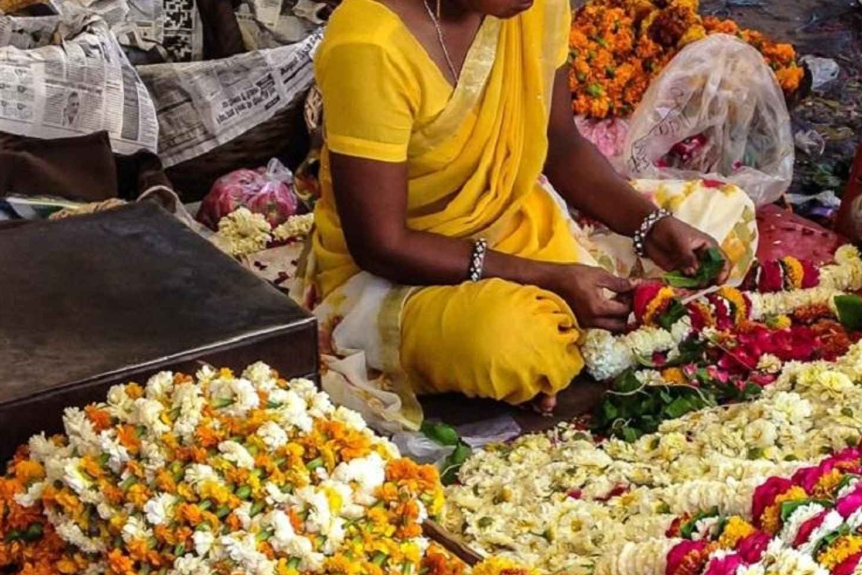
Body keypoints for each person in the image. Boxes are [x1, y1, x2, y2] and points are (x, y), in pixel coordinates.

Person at [297, 0, 757, 429]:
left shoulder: (535, 8)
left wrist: (650, 226)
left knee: (724, 214)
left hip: (519, 228)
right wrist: (547, 277)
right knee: (511, 343)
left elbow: (560, 144)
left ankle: (576, 335)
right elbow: (381, 245)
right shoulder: (369, 41)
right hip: (402, 274)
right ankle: (568, 338)